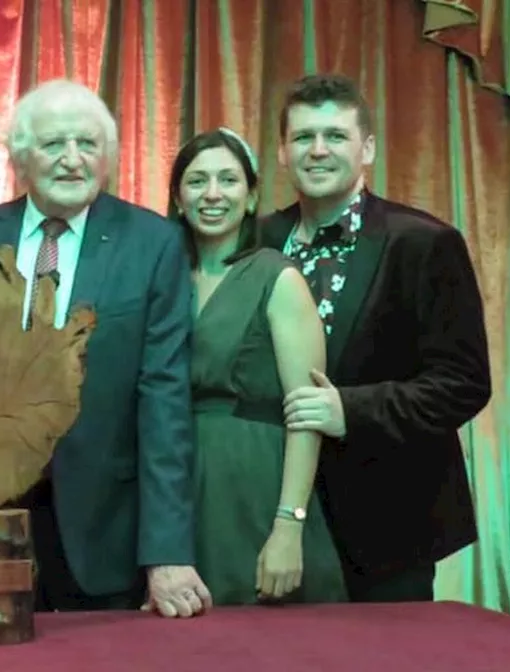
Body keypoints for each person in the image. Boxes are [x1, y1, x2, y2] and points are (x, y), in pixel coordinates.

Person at [0, 79, 210, 617]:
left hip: (104, 526)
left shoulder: (152, 243)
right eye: (53, 144)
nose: (72, 160)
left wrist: (167, 551)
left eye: (87, 144)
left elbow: (165, 402)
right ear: (21, 156)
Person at [263, 73, 491, 602]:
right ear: (281, 152)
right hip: (270, 516)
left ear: (367, 149)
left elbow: (464, 383)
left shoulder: (425, 244)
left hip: (391, 524)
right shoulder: (258, 240)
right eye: (302, 138)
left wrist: (351, 410)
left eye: (335, 136)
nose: (318, 151)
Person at [167, 128, 348, 605]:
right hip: (176, 487)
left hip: (256, 488)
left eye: (228, 180)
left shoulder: (278, 277)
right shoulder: (161, 280)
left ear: (250, 198)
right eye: (197, 181)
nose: (212, 194)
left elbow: (306, 415)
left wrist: (289, 525)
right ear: (177, 198)